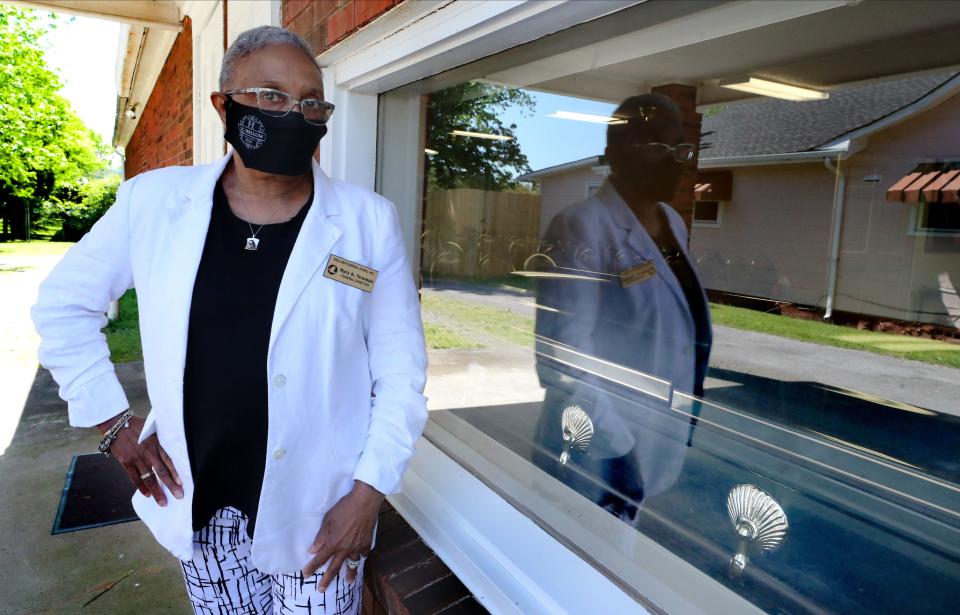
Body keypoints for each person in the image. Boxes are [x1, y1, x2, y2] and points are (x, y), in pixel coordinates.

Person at [31, 26, 427, 614]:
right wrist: (110, 421)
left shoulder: (366, 224)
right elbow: (63, 306)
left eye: (311, 102)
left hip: (317, 510)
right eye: (270, 96)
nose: (295, 114)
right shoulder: (154, 204)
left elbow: (400, 372)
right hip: (200, 502)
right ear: (224, 104)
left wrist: (368, 495)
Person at [531, 93, 712, 523]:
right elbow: (562, 358)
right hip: (602, 448)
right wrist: (618, 450)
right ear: (614, 153)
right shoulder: (581, 225)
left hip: (652, 433)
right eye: (654, 147)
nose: (673, 162)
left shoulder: (672, 221)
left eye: (680, 149)